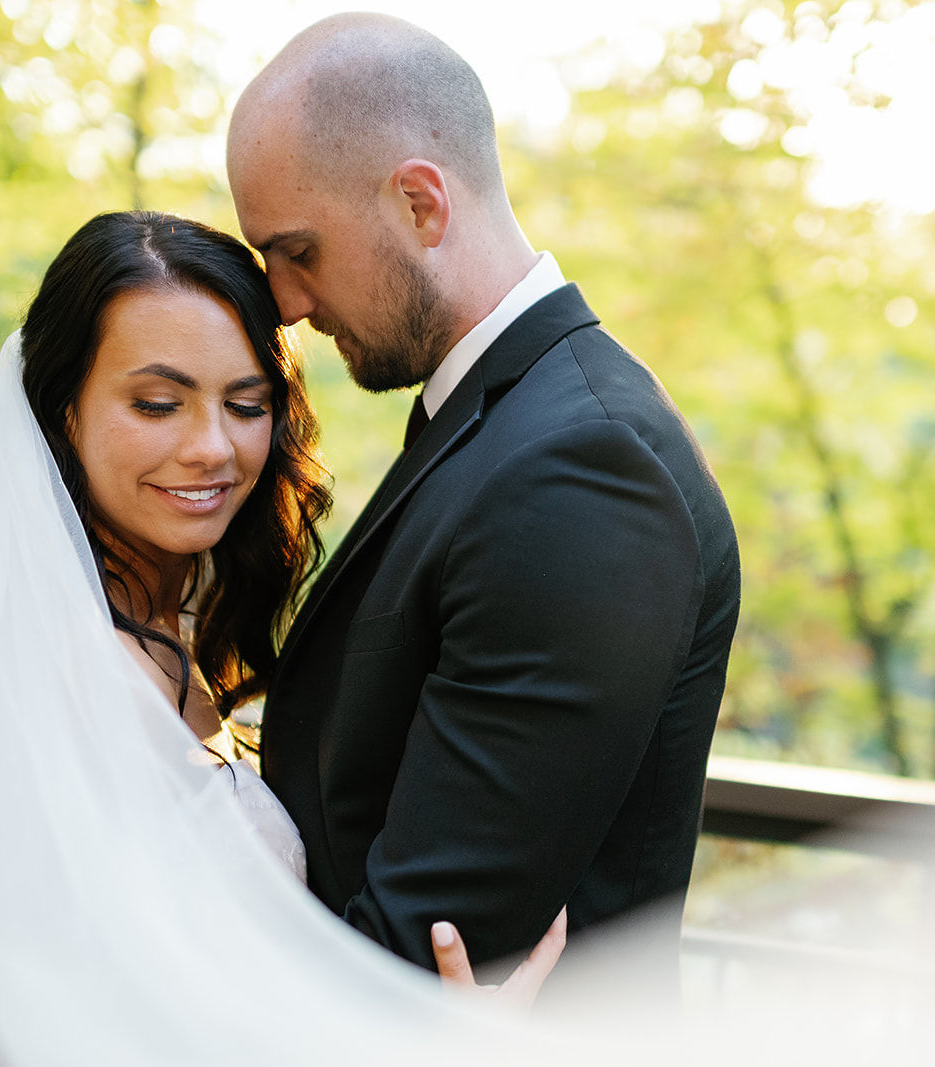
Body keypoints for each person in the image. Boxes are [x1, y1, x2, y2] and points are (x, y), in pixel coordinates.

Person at [0, 211, 560, 1066]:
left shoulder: (176, 629)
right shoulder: (46, 678)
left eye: (246, 405)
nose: (212, 448)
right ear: (62, 410)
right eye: (158, 404)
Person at [226, 13, 741, 985]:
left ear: (420, 204)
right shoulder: (504, 416)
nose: (286, 302)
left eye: (298, 252)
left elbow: (429, 948)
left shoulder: (581, 471)